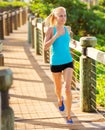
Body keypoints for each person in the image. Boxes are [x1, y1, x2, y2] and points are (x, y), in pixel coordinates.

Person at [43, 6, 76, 124]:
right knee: (58, 88)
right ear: (55, 17)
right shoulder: (51, 30)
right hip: (55, 63)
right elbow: (45, 47)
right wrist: (56, 36)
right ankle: (59, 99)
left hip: (67, 61)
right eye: (61, 16)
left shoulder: (67, 28)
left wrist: (72, 41)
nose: (63, 18)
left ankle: (69, 116)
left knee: (67, 88)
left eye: (65, 15)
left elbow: (68, 39)